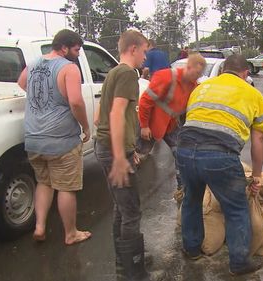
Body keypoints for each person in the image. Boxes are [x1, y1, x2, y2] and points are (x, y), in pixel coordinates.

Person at [176, 54, 263, 276]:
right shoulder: (253, 94)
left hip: (184, 151)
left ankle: (191, 249)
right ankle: (239, 262)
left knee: (192, 199)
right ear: (246, 73)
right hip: (219, 157)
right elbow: (258, 140)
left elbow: (187, 119)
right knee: (236, 208)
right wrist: (256, 175)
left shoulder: (201, 87)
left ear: (222, 71)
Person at [17, 29, 91, 245]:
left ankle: (40, 227)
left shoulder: (34, 64)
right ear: (65, 47)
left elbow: (22, 83)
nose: (78, 54)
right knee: (66, 187)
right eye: (76, 50)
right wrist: (85, 127)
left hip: (33, 138)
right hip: (61, 140)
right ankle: (70, 233)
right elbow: (76, 102)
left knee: (44, 182)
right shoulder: (69, 68)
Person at [94, 30, 150, 281]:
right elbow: (116, 114)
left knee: (121, 208)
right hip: (112, 151)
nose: (146, 58)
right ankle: (133, 272)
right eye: (145, 51)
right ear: (134, 49)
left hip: (106, 146)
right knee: (131, 212)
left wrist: (129, 149)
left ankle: (123, 265)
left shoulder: (113, 73)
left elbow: (99, 117)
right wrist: (119, 156)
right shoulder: (128, 73)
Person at [137, 53, 206, 192]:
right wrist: (144, 126)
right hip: (151, 123)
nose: (198, 76)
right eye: (197, 72)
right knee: (137, 155)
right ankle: (127, 185)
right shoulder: (166, 77)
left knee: (180, 153)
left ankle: (182, 188)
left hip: (171, 126)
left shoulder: (193, 86)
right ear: (188, 67)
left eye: (200, 74)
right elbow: (145, 101)